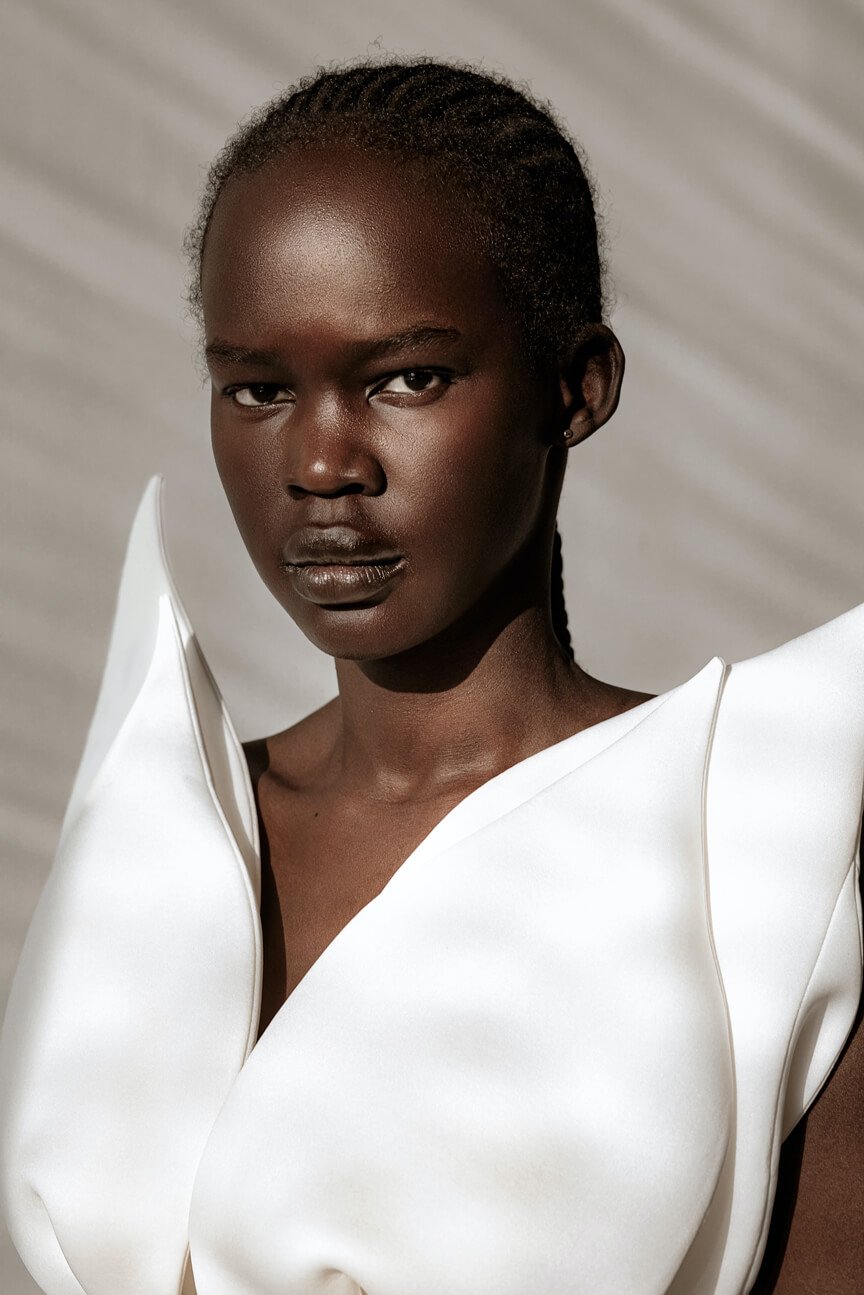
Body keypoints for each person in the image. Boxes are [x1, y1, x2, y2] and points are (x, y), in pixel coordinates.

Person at [1, 58, 862, 1295]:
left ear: (578, 387)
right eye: (257, 388)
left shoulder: (763, 851)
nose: (321, 461)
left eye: (406, 377)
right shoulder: (157, 836)